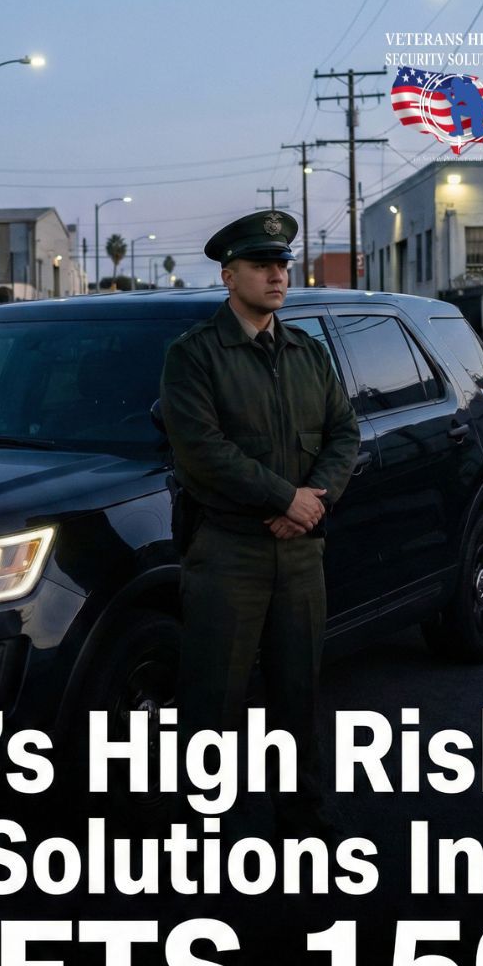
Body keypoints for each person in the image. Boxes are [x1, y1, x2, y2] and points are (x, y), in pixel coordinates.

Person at [159, 209, 359, 837]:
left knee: (298, 690)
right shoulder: (194, 357)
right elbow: (202, 450)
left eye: (281, 265)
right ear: (229, 275)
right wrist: (285, 498)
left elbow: (343, 433)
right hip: (228, 551)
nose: (277, 276)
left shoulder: (307, 353)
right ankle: (198, 827)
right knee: (212, 699)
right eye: (261, 266)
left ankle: (301, 816)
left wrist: (313, 503)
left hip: (300, 553)